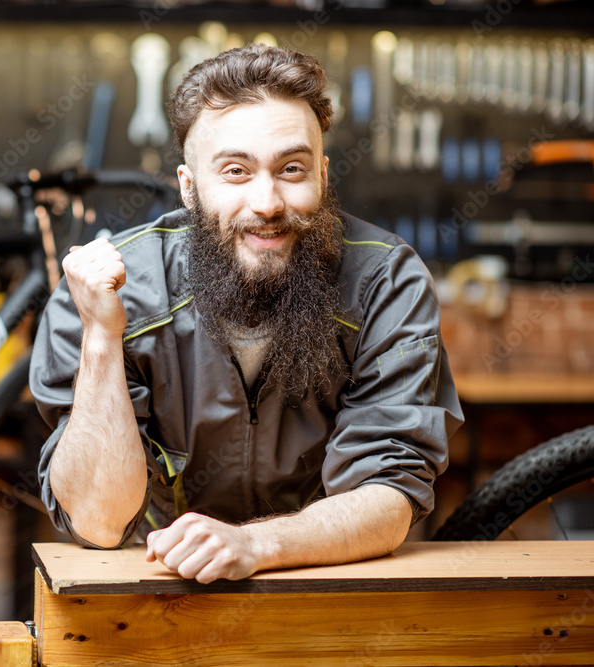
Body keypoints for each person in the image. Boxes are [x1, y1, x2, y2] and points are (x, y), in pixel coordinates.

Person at [29, 43, 464, 584]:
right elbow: (98, 520)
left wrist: (254, 544)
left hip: (332, 588)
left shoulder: (385, 283)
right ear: (189, 189)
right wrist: (101, 336)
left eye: (292, 169)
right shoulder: (111, 291)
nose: (267, 202)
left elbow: (388, 498)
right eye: (236, 171)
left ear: (323, 176)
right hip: (155, 593)